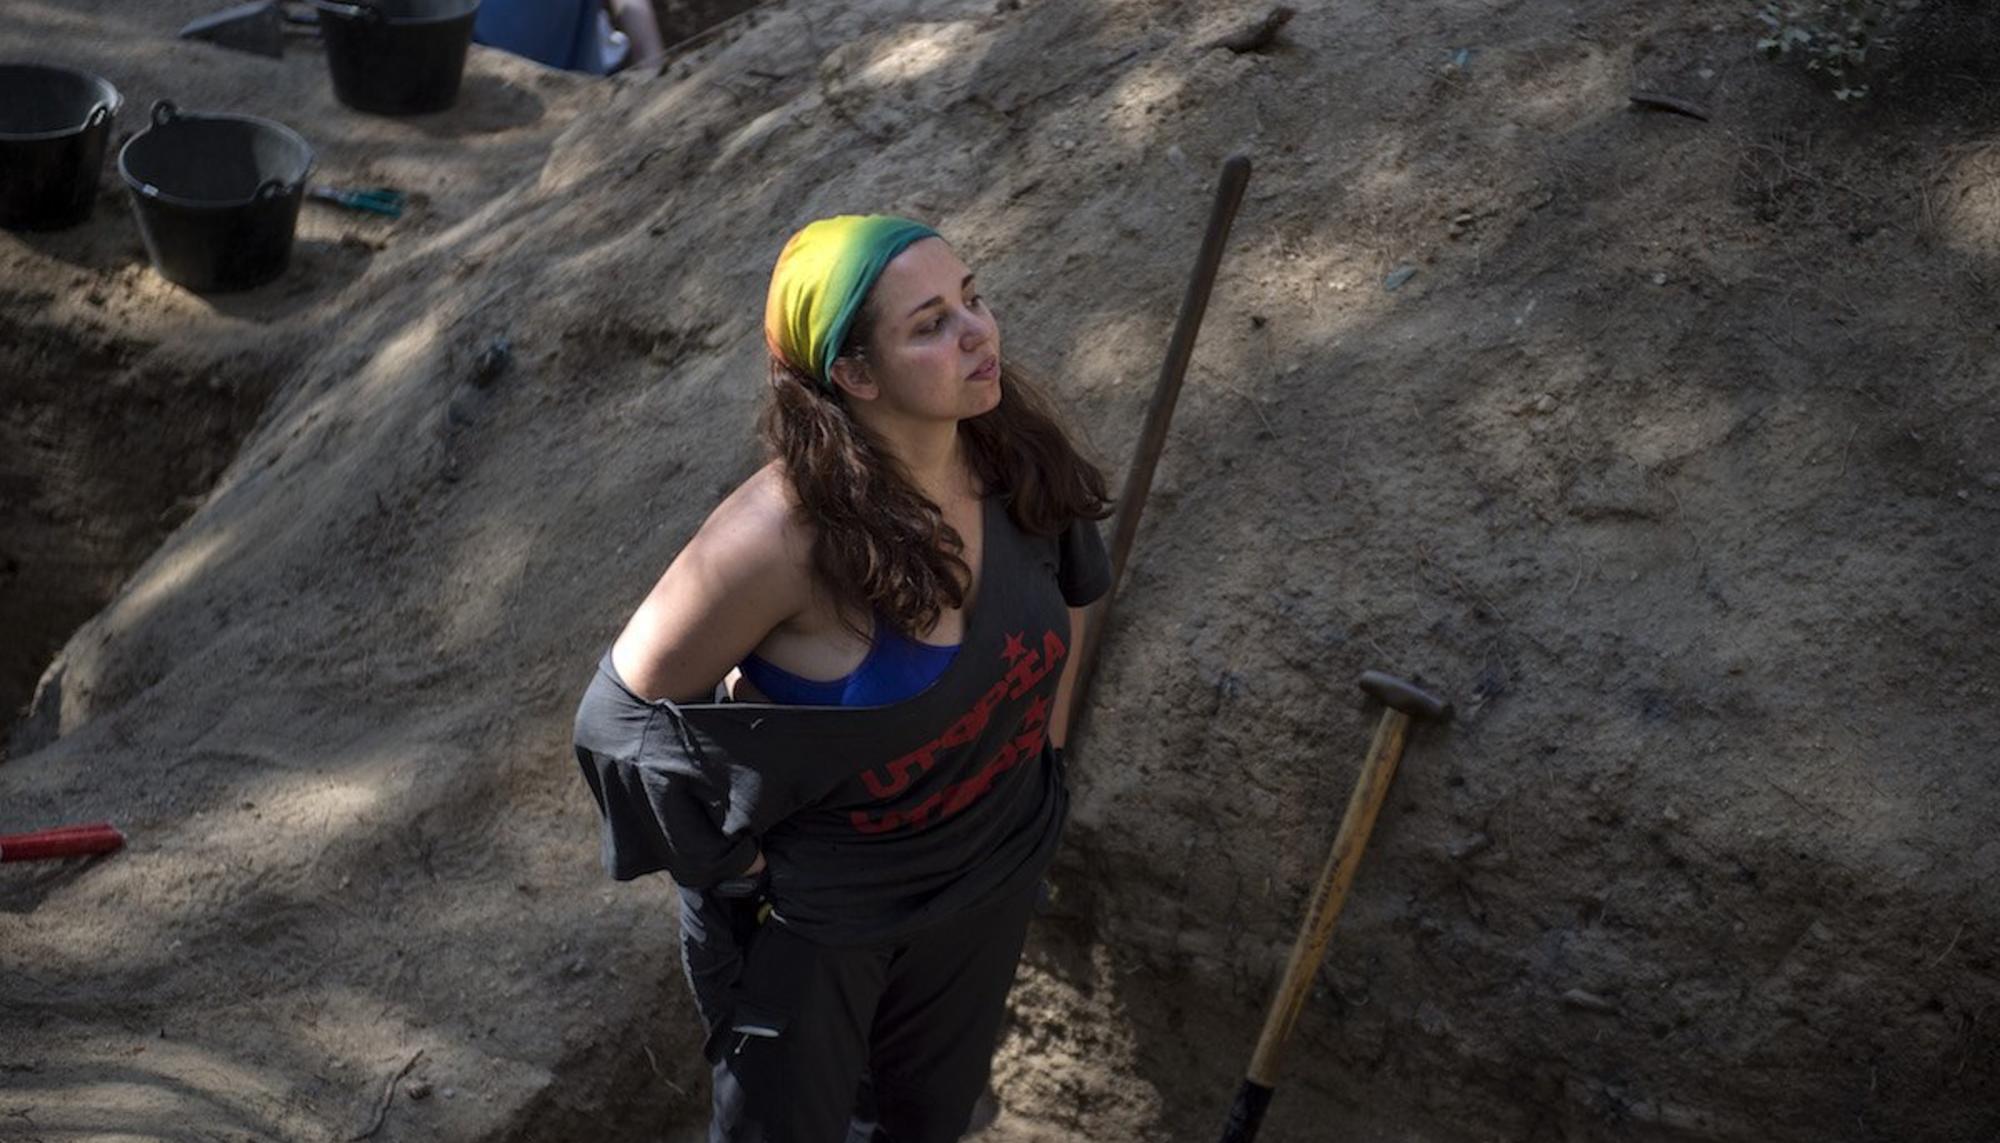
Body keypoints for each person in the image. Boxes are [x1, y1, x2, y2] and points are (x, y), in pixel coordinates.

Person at [573, 214, 1114, 1143]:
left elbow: (1073, 581)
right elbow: (617, 720)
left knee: (923, 1123)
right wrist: (731, 867)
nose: (978, 332)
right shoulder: (782, 539)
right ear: (855, 376)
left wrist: (1042, 750)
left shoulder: (1005, 448)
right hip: (821, 925)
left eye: (973, 298)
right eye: (930, 323)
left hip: (985, 876)